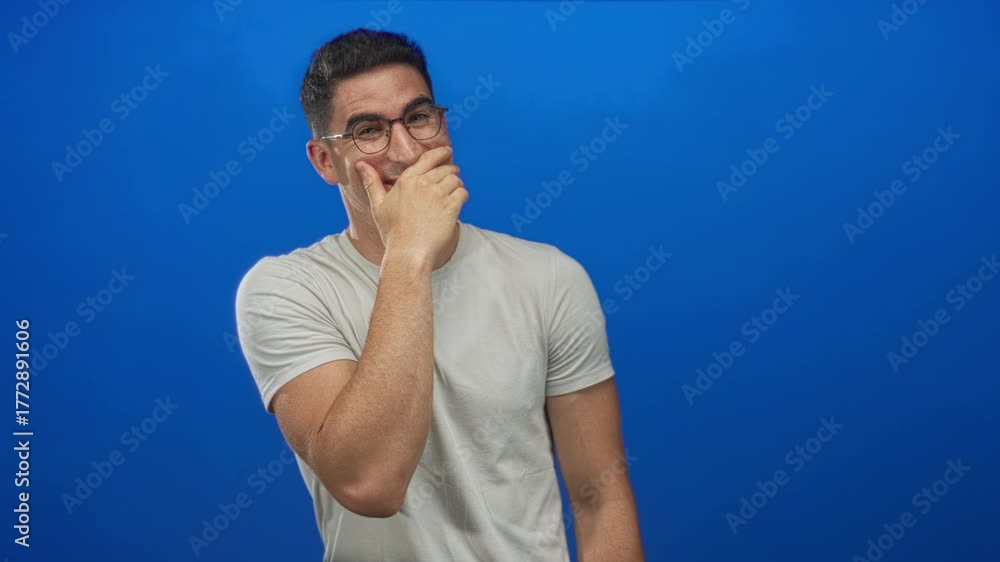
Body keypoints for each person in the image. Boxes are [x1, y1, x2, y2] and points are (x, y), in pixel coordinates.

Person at [235, 28, 643, 561]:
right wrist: (409, 254)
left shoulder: (550, 277)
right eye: (368, 131)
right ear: (324, 161)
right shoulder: (284, 290)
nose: (407, 152)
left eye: (419, 117)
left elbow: (599, 497)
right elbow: (370, 484)